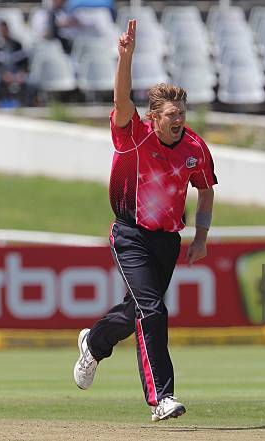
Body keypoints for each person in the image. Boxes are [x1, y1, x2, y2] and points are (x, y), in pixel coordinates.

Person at [73, 19, 217, 422]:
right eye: (172, 114)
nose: (179, 119)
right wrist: (126, 57)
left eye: (182, 113)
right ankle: (161, 399)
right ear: (153, 117)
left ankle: (94, 343)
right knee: (153, 310)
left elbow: (205, 189)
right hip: (130, 234)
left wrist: (201, 237)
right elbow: (121, 100)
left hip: (167, 240)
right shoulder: (133, 134)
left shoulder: (194, 147)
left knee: (137, 311)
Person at [0, 20, 28, 107]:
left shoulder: (16, 44)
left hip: (15, 72)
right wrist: (3, 74)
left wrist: (21, 72)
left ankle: (25, 105)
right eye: (1, 29)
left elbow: (24, 61)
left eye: (5, 29)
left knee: (31, 81)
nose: (3, 31)